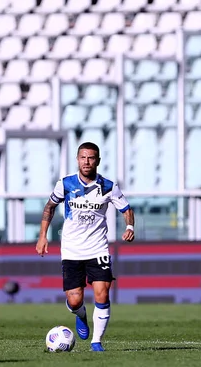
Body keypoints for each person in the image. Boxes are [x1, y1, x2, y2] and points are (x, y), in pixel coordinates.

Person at [36, 142, 135, 352]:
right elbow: (49, 207)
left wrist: (130, 226)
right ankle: (80, 315)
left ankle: (96, 342)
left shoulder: (109, 187)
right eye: (83, 157)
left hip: (98, 248)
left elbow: (126, 209)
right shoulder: (65, 184)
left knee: (102, 293)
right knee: (74, 299)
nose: (87, 161)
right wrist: (42, 236)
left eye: (91, 158)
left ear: (98, 160)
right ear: (77, 159)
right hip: (72, 250)